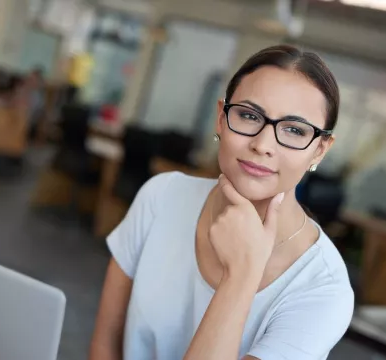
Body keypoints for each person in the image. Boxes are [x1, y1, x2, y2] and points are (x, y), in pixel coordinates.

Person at [90, 45, 354, 360]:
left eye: (295, 130)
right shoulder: (161, 197)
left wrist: (241, 276)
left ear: (319, 151)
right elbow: (105, 346)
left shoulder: (323, 289)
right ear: (221, 118)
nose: (262, 145)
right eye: (248, 115)